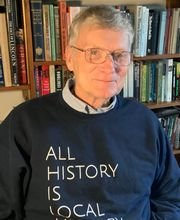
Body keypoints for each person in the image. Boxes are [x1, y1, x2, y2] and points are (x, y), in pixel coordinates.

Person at [0, 5, 180, 220]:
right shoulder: (24, 123)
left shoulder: (145, 122)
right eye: (94, 53)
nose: (108, 66)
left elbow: (170, 195)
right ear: (70, 58)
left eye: (119, 55)